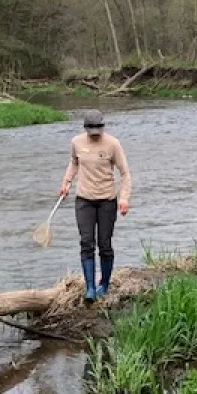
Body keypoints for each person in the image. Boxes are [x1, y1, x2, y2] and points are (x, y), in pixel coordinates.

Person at [59, 110, 131, 301]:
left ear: (103, 126)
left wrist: (124, 198)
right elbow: (74, 163)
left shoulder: (113, 144)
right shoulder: (76, 142)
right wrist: (66, 182)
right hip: (84, 200)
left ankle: (104, 285)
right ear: (85, 128)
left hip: (107, 200)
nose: (95, 133)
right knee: (86, 242)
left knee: (105, 245)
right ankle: (90, 288)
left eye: (98, 129)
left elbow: (125, 173)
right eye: (92, 129)